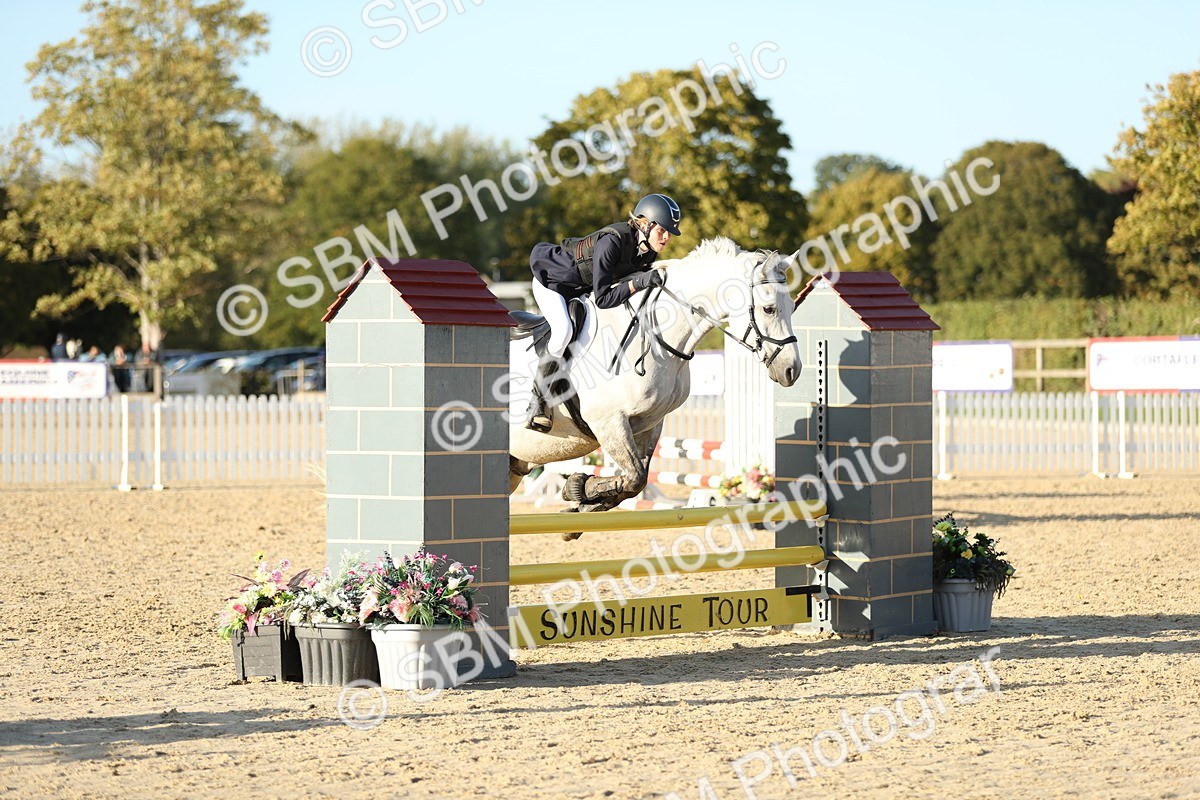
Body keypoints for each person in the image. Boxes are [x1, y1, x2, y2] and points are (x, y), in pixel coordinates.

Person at [524, 193, 683, 432]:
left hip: (581, 289)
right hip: (553, 283)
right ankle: (538, 401)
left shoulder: (647, 249)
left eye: (669, 232)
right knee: (563, 331)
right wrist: (638, 283)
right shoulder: (613, 243)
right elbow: (605, 298)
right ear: (645, 224)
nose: (667, 237)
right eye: (662, 230)